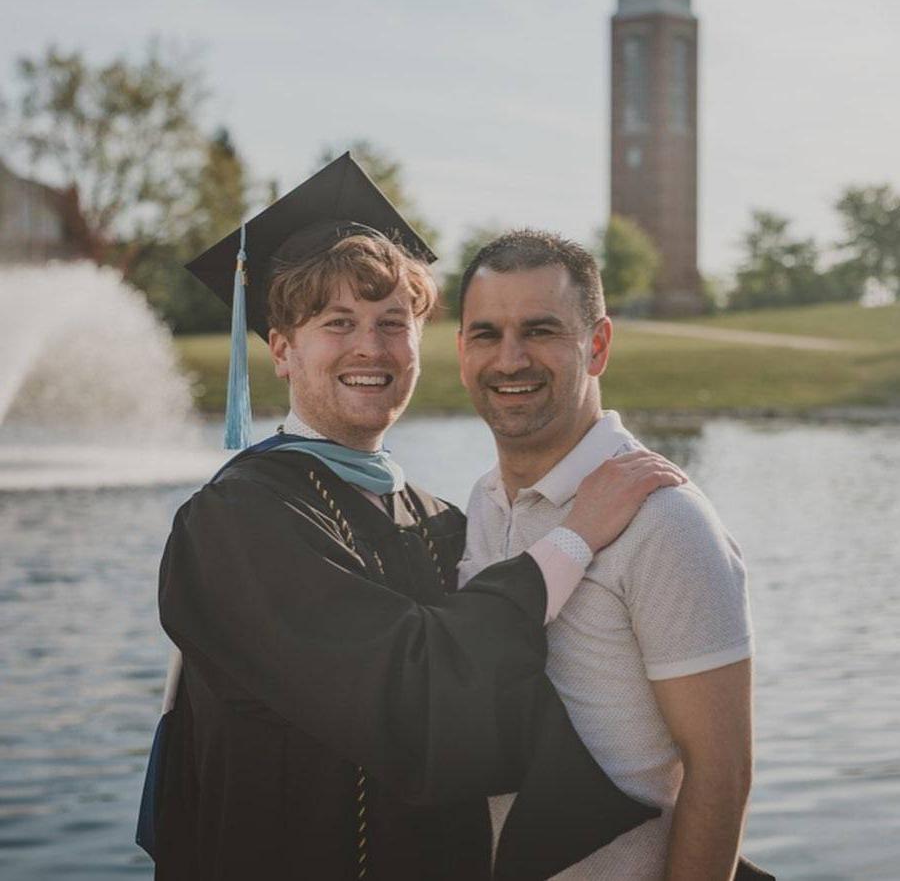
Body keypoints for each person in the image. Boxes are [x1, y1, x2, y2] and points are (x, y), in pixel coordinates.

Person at [142, 155, 686, 880]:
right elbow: (417, 691)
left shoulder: (438, 520)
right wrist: (577, 536)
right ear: (281, 350)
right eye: (338, 324)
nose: (371, 347)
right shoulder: (235, 522)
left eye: (393, 324)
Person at [456, 230, 771, 880]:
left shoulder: (666, 523)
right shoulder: (482, 504)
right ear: (461, 348)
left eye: (540, 330)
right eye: (486, 333)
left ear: (596, 346)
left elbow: (722, 772)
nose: (509, 359)